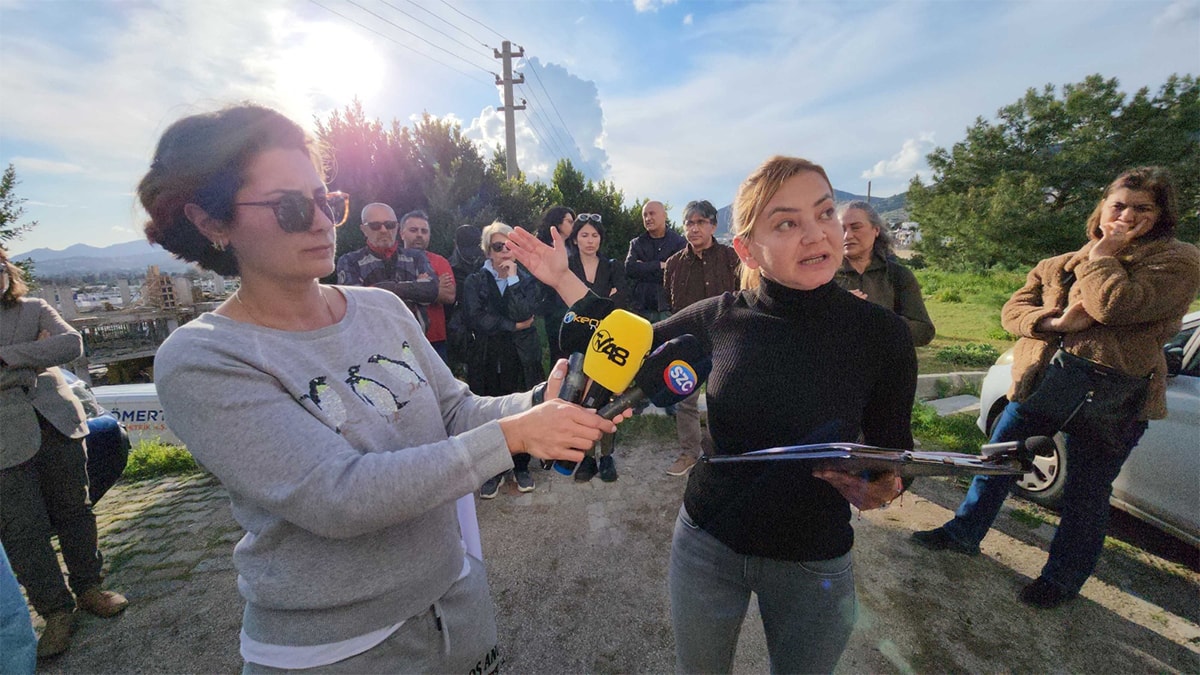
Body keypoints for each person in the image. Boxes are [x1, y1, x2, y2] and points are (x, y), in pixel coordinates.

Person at [137, 104, 621, 672]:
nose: (320, 222)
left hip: (455, 602)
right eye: (291, 207)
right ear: (211, 222)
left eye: (327, 202)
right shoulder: (205, 357)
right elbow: (338, 497)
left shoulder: (382, 308)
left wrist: (542, 401)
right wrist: (516, 435)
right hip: (336, 648)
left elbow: (455, 410)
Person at [508, 155, 914, 673]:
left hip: (815, 558)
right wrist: (564, 280)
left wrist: (885, 487)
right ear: (747, 248)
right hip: (707, 544)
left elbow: (893, 455)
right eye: (787, 222)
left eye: (825, 213)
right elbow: (633, 340)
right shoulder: (721, 318)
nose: (816, 234)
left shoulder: (883, 335)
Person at [912, 166, 1200, 609]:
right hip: (1041, 382)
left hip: (1113, 396)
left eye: (1142, 208)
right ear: (1102, 206)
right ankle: (962, 532)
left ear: (1161, 216)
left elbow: (1114, 305)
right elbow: (1013, 310)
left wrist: (1104, 255)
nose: (1127, 215)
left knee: (1086, 492)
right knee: (996, 463)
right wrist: (1054, 322)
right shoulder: (1061, 262)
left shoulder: (1177, 261)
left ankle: (1061, 580)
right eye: (1118, 205)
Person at [0, 247, 128, 659]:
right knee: (23, 531)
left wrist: (7, 358)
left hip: (57, 423)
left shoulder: (34, 307)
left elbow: (70, 345)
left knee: (75, 509)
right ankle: (56, 612)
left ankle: (90, 587)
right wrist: (34, 360)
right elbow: (49, 354)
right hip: (5, 440)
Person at [462, 222, 545, 498]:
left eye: (510, 246)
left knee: (521, 408)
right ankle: (494, 469)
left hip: (521, 357)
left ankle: (521, 465)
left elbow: (525, 312)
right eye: (499, 247)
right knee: (491, 411)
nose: (505, 252)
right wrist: (513, 326)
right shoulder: (475, 281)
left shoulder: (526, 279)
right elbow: (476, 319)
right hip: (487, 357)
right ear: (488, 251)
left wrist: (512, 279)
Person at [662, 199, 741, 477]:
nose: (694, 228)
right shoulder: (674, 264)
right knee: (686, 400)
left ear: (713, 225)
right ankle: (688, 453)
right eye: (689, 223)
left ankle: (726, 453)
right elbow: (671, 306)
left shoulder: (732, 258)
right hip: (689, 344)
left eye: (700, 222)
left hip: (727, 341)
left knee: (727, 398)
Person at [561, 213, 627, 482]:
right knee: (579, 399)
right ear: (575, 239)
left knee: (607, 400)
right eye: (584, 235)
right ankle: (586, 457)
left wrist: (595, 304)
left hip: (607, 342)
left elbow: (621, 300)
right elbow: (565, 304)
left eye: (595, 235)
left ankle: (607, 456)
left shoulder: (612, 266)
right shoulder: (567, 266)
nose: (590, 240)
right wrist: (603, 300)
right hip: (576, 344)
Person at [834, 200, 935, 346]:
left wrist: (873, 317)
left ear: (876, 230)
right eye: (842, 229)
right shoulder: (824, 276)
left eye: (856, 227)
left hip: (885, 367)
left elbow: (924, 332)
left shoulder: (898, 275)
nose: (847, 236)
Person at [335, 202, 438, 330]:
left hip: (414, 339)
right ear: (364, 229)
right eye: (375, 225)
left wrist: (383, 288)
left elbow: (431, 290)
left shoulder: (416, 256)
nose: (383, 230)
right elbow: (357, 302)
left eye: (389, 225)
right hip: (372, 341)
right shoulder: (349, 261)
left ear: (397, 227)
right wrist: (414, 287)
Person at [398, 209, 456, 363]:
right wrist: (430, 286)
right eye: (413, 230)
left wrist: (405, 288)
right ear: (401, 233)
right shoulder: (392, 261)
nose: (419, 234)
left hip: (434, 340)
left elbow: (449, 296)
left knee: (439, 387)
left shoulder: (440, 261)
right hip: (400, 339)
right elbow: (386, 293)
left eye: (424, 231)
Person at [625, 200, 686, 323]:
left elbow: (679, 272)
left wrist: (644, 268)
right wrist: (659, 265)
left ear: (664, 216)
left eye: (652, 213)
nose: (648, 218)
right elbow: (630, 269)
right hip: (641, 309)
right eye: (645, 215)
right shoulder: (637, 243)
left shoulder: (679, 242)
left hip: (669, 308)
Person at [534, 205, 577, 363]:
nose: (573, 225)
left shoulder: (574, 247)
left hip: (574, 306)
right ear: (558, 223)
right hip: (554, 308)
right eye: (569, 221)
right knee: (558, 352)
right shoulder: (544, 247)